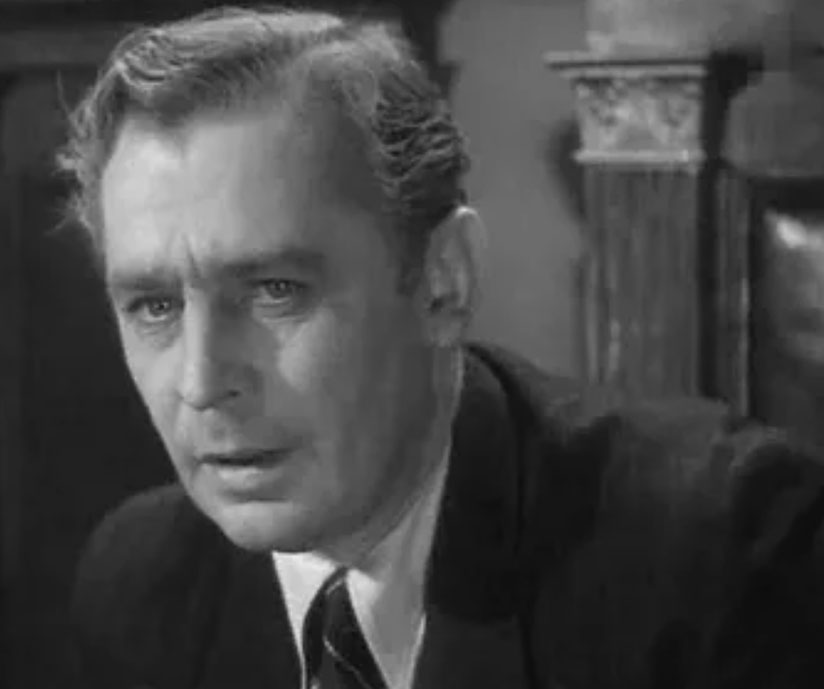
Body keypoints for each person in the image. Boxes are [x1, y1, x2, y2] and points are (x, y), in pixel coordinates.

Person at [58, 7, 824, 689]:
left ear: (442, 284)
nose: (201, 380)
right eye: (154, 306)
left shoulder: (724, 552)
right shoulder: (140, 583)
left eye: (275, 290)